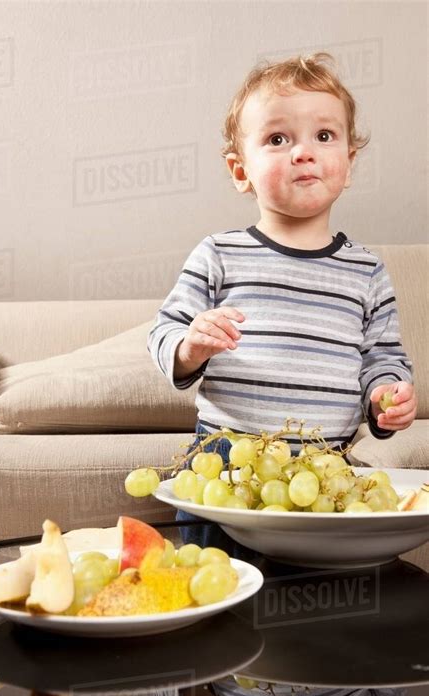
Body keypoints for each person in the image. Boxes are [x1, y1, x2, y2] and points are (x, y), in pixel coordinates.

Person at [147, 52, 416, 553]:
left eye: (324, 136)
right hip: (227, 466)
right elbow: (164, 331)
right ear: (240, 170)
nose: (303, 152)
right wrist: (191, 344)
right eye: (277, 139)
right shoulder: (219, 253)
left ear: (349, 164)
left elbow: (382, 359)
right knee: (219, 590)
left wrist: (387, 398)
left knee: (319, 606)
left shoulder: (367, 271)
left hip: (326, 471)